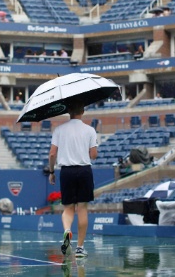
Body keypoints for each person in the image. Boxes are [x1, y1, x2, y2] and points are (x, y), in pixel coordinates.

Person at [48, 100, 98, 258]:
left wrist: (51, 171)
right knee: (82, 208)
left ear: (68, 111)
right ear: (82, 111)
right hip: (84, 171)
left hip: (66, 172)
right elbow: (94, 155)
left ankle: (67, 231)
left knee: (68, 208)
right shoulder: (90, 130)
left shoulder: (59, 130)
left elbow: (52, 154)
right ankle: (80, 248)